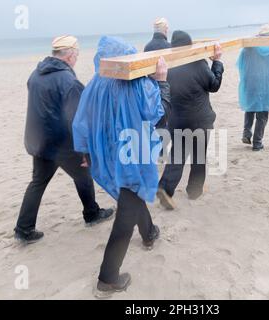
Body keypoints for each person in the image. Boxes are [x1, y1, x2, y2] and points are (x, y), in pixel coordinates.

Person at [73, 36, 171, 293]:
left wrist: (84, 151)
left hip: (105, 152)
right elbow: (157, 113)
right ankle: (108, 278)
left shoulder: (95, 83)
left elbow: (80, 120)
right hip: (132, 153)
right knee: (128, 206)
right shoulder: (139, 83)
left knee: (131, 196)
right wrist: (161, 82)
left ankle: (149, 233)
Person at [14, 36, 114, 244]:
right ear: (70, 55)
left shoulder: (36, 74)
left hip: (40, 140)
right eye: (76, 55)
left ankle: (23, 229)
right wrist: (86, 150)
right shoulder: (68, 81)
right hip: (61, 143)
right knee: (84, 174)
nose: (77, 59)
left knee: (38, 182)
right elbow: (79, 118)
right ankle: (92, 214)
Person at [157, 31, 224, 210]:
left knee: (177, 156)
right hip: (200, 120)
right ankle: (194, 190)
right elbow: (214, 85)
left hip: (177, 120)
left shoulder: (168, 65)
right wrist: (216, 62)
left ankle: (165, 188)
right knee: (198, 156)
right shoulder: (198, 63)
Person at [237, 24, 269, 151]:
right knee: (262, 113)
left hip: (251, 81)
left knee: (250, 107)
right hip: (267, 82)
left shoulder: (250, 46)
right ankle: (257, 143)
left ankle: (247, 133)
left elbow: (241, 63)